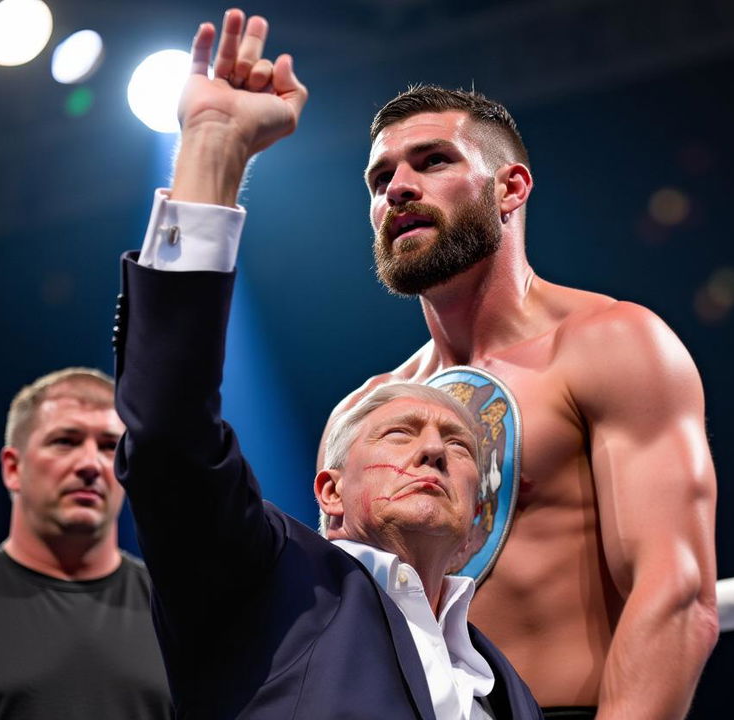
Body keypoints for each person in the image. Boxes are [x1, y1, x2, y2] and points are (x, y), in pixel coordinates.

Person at [137, 7, 719, 718]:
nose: (398, 189)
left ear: (510, 188)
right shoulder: (368, 411)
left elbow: (675, 593)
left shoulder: (609, 342)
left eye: (433, 161)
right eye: (380, 179)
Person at [114, 9, 542, 719]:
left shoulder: (505, 688)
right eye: (400, 434)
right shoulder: (271, 583)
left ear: (479, 523)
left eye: (460, 446)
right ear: (329, 493)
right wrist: (212, 151)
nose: (434, 447)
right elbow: (166, 431)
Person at [0, 368, 172, 720]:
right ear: (13, 468)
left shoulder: (181, 618)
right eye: (66, 441)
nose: (91, 464)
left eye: (109, 447)